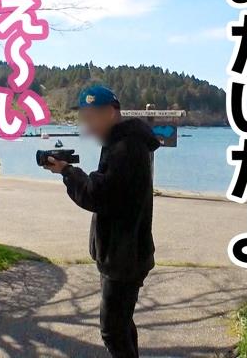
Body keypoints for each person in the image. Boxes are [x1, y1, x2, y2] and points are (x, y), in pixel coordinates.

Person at [43, 86, 160, 358]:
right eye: (84, 118)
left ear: (110, 112)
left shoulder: (125, 148)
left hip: (124, 256)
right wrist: (69, 172)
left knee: (112, 332)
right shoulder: (123, 142)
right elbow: (108, 191)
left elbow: (97, 195)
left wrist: (68, 172)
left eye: (91, 117)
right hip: (125, 253)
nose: (88, 125)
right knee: (122, 325)